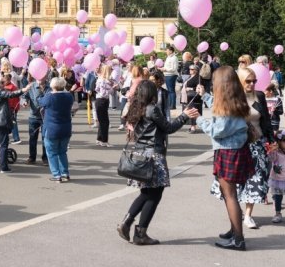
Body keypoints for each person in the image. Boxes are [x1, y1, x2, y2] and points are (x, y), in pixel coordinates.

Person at [116, 81, 198, 245]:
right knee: (154, 194)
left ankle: (127, 222)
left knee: (146, 192)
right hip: (153, 155)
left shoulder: (135, 107)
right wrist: (184, 116)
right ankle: (140, 233)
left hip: (140, 154)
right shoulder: (152, 109)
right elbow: (169, 127)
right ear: (151, 94)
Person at [197, 66, 253, 251]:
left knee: (230, 195)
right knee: (230, 194)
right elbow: (219, 108)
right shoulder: (235, 99)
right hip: (236, 150)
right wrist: (205, 96)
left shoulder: (226, 108)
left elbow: (217, 130)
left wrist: (198, 119)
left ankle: (238, 238)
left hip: (228, 151)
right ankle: (234, 230)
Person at [213, 67, 272, 229]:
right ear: (240, 81)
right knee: (236, 184)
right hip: (238, 146)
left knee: (255, 180)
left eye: (254, 81)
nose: (252, 84)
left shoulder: (259, 96)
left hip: (257, 144)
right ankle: (236, 216)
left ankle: (247, 215)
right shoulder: (233, 98)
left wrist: (271, 141)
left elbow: (265, 120)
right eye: (248, 81)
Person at [0, 76, 30, 173]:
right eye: (1, 82)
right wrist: (24, 90)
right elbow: (11, 94)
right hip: (1, 121)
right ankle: (4, 167)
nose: (3, 84)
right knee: (4, 145)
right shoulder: (0, 92)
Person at [38, 77, 77, 181]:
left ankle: (56, 174)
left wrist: (40, 93)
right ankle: (65, 173)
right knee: (62, 152)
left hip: (52, 128)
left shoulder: (49, 96)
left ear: (53, 85)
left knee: (52, 152)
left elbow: (40, 102)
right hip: (65, 128)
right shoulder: (69, 96)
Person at [23, 74, 49, 165]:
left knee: (45, 138)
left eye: (43, 75)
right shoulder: (31, 86)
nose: (41, 77)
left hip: (46, 117)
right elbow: (24, 96)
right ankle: (32, 157)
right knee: (33, 138)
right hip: (33, 116)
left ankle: (45, 158)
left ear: (46, 76)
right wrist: (25, 102)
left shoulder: (50, 86)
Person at [95, 64, 115, 147]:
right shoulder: (103, 80)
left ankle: (99, 139)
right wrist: (111, 89)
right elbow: (103, 93)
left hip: (101, 101)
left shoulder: (102, 79)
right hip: (102, 100)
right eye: (110, 70)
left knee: (102, 121)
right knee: (105, 122)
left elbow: (96, 89)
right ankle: (104, 141)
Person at [181, 64, 203, 133]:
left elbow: (199, 87)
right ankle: (191, 126)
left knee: (193, 111)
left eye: (192, 69)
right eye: (190, 69)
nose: (190, 70)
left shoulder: (198, 78)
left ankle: (193, 127)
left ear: (196, 70)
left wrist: (190, 88)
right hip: (188, 96)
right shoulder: (190, 76)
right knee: (190, 111)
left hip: (194, 97)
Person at [162, 46, 179, 110]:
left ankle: (173, 105)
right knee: (169, 90)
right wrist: (163, 69)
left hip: (171, 75)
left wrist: (165, 69)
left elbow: (174, 68)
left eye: (167, 50)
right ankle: (170, 104)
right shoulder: (168, 57)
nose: (166, 51)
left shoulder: (174, 58)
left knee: (171, 90)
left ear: (171, 51)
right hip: (167, 75)